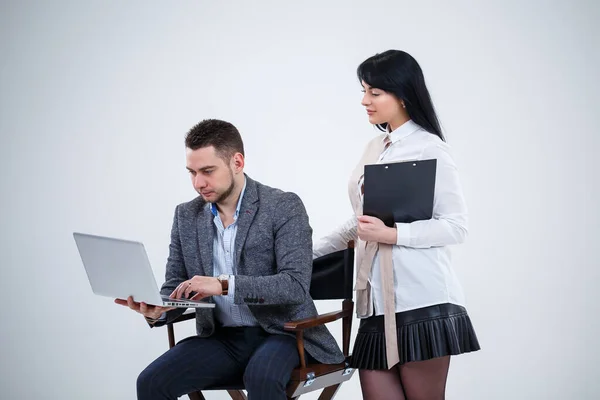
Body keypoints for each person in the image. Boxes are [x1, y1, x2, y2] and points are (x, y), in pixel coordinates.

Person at [115, 119, 344, 400]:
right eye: (192, 172)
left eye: (208, 171)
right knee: (151, 382)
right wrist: (159, 310)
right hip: (222, 339)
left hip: (283, 334)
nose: (198, 183)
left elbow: (294, 286)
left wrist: (224, 285)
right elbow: (175, 285)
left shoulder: (282, 206)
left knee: (261, 376)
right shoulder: (186, 216)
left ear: (237, 162)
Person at [313, 50, 480, 400]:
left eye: (374, 93)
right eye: (363, 91)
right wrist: (302, 252)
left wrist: (393, 234)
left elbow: (455, 226)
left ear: (402, 94)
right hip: (375, 305)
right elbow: (360, 221)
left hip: (421, 301)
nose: (364, 101)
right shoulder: (375, 147)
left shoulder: (430, 148)